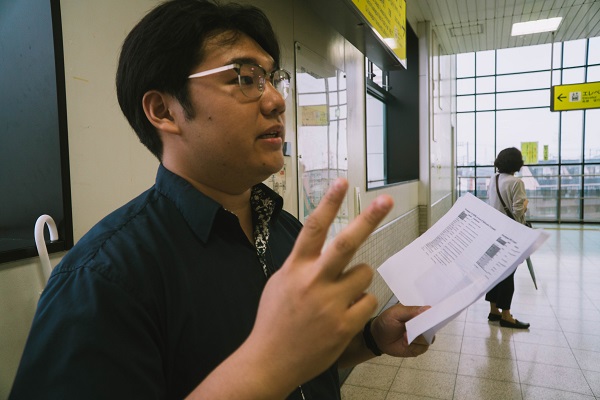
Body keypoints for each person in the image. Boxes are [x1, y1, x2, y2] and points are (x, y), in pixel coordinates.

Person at [9, 1, 432, 399]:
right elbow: (280, 360)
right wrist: (267, 364)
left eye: (273, 78)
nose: (277, 100)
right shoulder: (102, 280)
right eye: (244, 78)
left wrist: (371, 338)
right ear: (164, 111)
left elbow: (310, 358)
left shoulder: (288, 232)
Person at [486, 147, 530, 329]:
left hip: (493, 231)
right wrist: (526, 205)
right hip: (510, 234)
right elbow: (518, 212)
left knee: (494, 271)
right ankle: (506, 315)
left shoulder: (494, 179)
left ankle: (493, 311)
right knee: (508, 274)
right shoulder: (516, 182)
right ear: (517, 163)